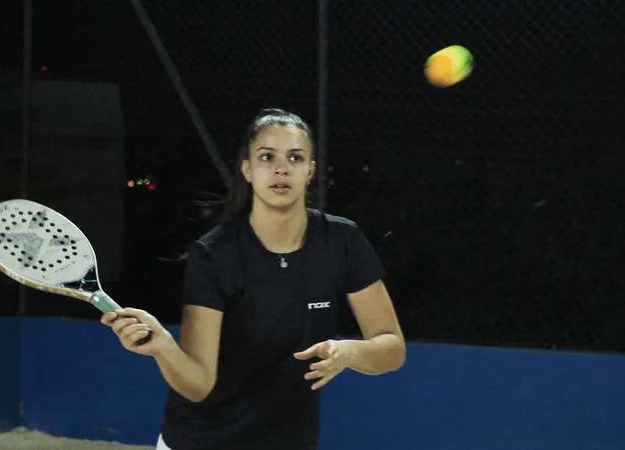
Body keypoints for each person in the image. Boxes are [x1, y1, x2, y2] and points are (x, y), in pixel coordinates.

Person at [101, 108, 406, 450]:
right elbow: (199, 384)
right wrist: (165, 349)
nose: (281, 168)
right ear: (247, 169)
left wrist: (347, 352)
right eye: (266, 157)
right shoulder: (214, 254)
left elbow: (392, 350)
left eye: (295, 157)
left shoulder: (342, 241)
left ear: (310, 171)